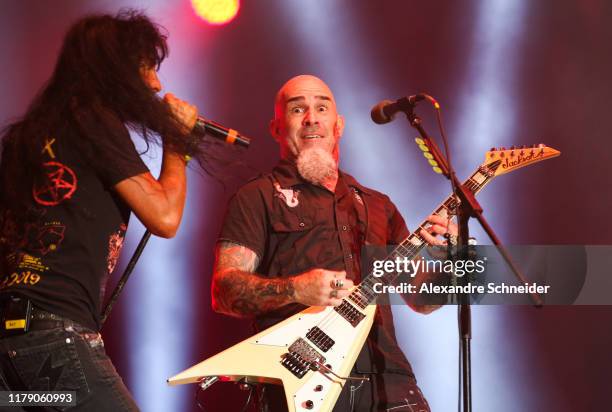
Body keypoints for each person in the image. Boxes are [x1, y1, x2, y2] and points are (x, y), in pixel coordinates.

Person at [211, 74, 455, 411]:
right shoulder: (257, 197)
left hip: (391, 386)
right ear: (276, 128)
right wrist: (296, 289)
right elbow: (223, 292)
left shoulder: (378, 205)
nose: (312, 118)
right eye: (298, 109)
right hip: (305, 387)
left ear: (338, 125)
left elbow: (422, 300)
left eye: (321, 108)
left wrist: (455, 258)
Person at [0, 10, 197, 411]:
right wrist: (178, 144)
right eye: (147, 69)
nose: (156, 84)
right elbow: (165, 216)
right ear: (117, 69)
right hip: (54, 343)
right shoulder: (92, 120)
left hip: (12, 351)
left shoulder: (25, 137)